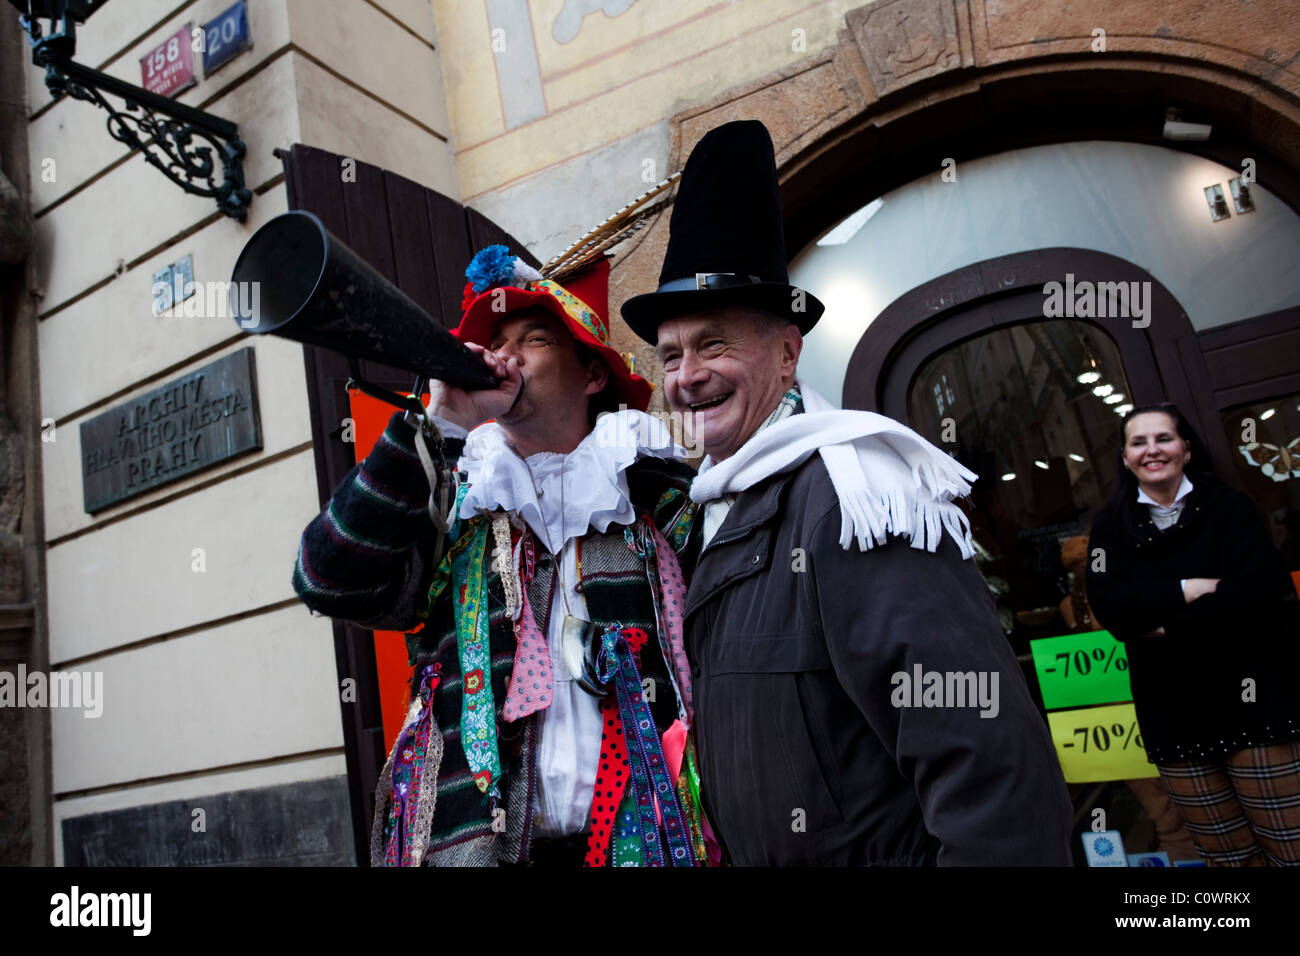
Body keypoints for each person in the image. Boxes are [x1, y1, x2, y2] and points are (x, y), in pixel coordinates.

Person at [620, 119, 1074, 865]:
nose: (685, 376)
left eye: (714, 344)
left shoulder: (855, 499)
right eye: (670, 355)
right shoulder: (715, 506)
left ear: (788, 352)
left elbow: (990, 768)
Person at [292, 249, 708, 866]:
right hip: (481, 852)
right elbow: (326, 579)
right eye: (493, 342)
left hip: (650, 847)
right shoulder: (455, 507)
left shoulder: (658, 496)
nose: (503, 357)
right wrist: (435, 426)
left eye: (533, 339)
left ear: (593, 374)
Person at [1086, 402, 1300, 866]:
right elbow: (1114, 611)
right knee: (1229, 862)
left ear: (1185, 447)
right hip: (1175, 717)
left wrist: (1164, 623)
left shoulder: (1229, 508)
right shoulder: (1109, 529)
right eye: (1138, 442)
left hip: (1255, 707)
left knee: (1293, 849)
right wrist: (1191, 588)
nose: (1151, 450)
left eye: (1162, 438)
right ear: (1125, 457)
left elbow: (1259, 598)